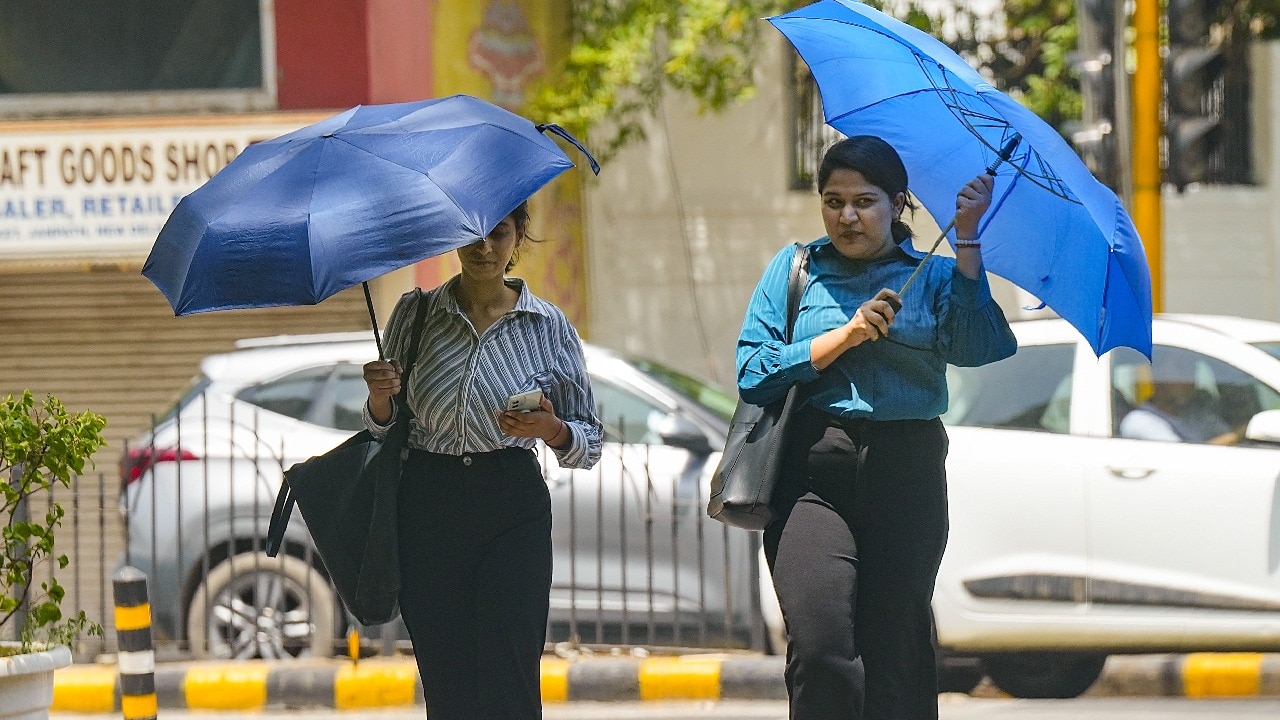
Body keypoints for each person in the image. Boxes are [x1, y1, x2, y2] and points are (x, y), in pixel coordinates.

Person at [736, 136, 1018, 720]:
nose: (847, 216)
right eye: (832, 201)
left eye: (864, 201)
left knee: (897, 650)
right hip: (812, 474)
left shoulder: (936, 278)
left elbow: (983, 346)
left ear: (897, 203)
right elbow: (751, 371)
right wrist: (842, 337)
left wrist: (967, 238)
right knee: (821, 648)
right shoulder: (797, 270)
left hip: (906, 470)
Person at [361, 201, 602, 720]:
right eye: (470, 233)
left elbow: (590, 440)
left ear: (519, 236)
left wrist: (550, 429)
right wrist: (380, 399)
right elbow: (385, 430)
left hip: (510, 505)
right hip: (428, 505)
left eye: (498, 232)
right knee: (448, 685)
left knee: (509, 681)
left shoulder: (547, 325)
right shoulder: (416, 312)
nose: (484, 247)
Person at [1119, 350, 1240, 444]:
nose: (1191, 378)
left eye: (1192, 370)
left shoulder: (1195, 414)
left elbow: (1223, 433)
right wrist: (1237, 435)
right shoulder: (1139, 422)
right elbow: (1182, 459)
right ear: (1159, 374)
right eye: (1182, 369)